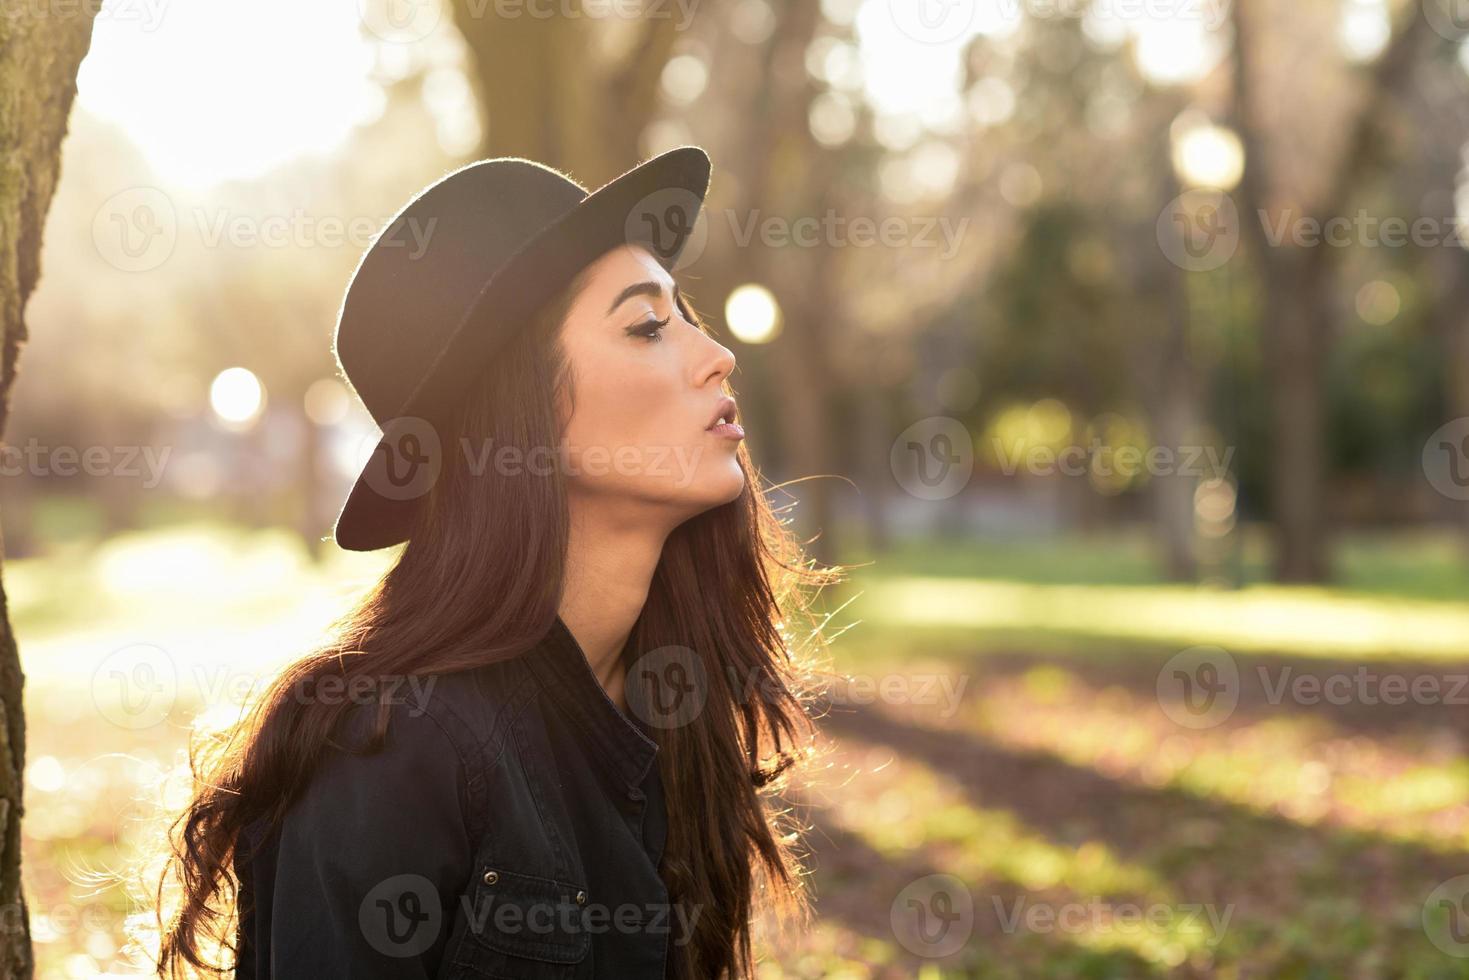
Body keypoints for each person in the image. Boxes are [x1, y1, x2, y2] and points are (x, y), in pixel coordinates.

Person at [151, 146, 841, 979]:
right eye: (648, 326)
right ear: (522, 417)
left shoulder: (675, 711)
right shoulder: (388, 751)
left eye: (683, 313)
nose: (715, 354)